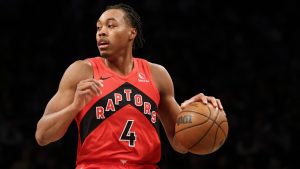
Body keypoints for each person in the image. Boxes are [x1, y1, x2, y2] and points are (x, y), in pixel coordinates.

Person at [35, 3, 224, 169]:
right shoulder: (82, 71)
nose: (101, 32)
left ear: (131, 33)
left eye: (111, 26)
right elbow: (42, 135)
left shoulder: (157, 75)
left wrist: (190, 112)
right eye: (98, 27)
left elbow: (180, 144)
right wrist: (75, 106)